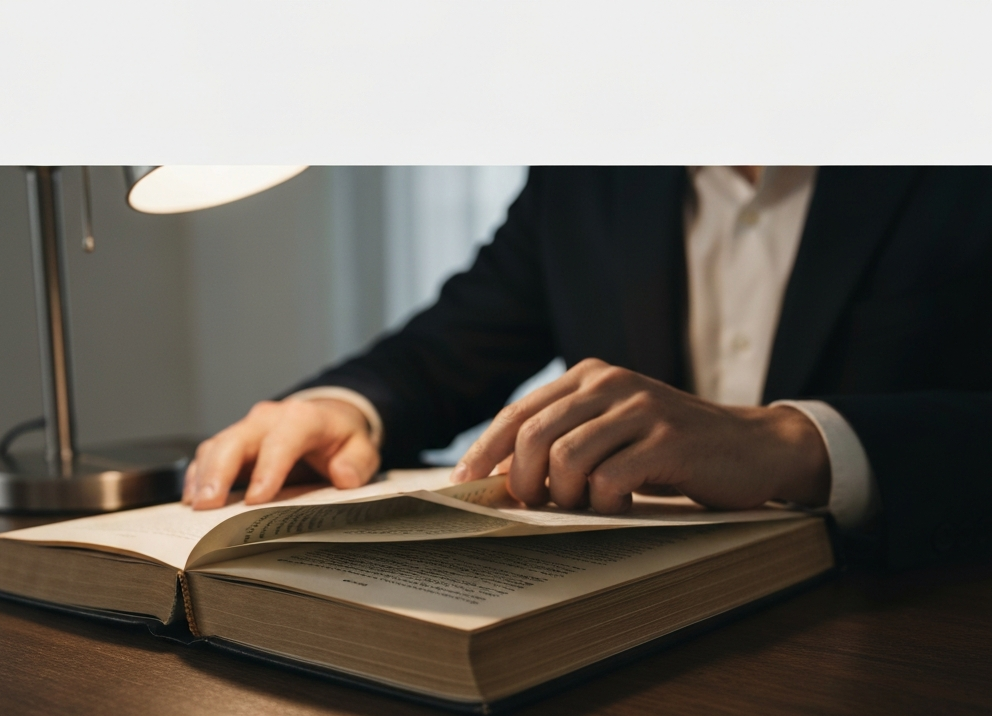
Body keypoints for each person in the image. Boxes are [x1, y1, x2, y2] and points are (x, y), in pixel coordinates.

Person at [183, 167, 992, 569]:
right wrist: (343, 407)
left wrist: (794, 441)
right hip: (623, 650)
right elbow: (451, 345)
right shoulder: (589, 175)